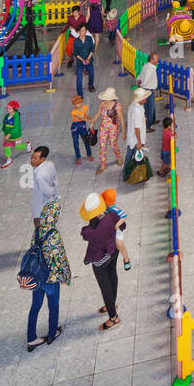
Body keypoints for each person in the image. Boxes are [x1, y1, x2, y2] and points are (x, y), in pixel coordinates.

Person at [23, 195, 70, 351]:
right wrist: (65, 276)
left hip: (36, 276)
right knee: (53, 305)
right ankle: (51, 334)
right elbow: (60, 258)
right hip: (50, 278)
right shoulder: (54, 235)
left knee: (35, 307)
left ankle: (31, 339)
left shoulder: (37, 231)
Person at [79, 192, 122, 331]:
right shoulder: (112, 216)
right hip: (114, 251)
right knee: (113, 276)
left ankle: (113, 317)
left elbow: (84, 234)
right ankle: (112, 304)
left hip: (99, 260)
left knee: (105, 287)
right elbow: (123, 225)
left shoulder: (88, 231)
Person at [91, 87, 124, 175]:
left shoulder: (117, 106)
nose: (104, 100)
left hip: (113, 128)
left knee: (113, 145)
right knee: (102, 146)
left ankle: (119, 158)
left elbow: (122, 119)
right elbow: (98, 114)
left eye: (106, 98)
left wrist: (124, 132)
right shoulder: (102, 104)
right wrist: (92, 122)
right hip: (103, 128)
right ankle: (103, 165)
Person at [29, 146, 57, 231]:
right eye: (32, 157)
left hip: (42, 207)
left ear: (42, 159)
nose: (32, 160)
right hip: (51, 203)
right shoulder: (50, 164)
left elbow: (48, 192)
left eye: (35, 158)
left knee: (39, 229)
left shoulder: (39, 176)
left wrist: (52, 192)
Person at [125, 88, 151, 176]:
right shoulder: (137, 111)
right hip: (135, 139)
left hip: (133, 137)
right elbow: (137, 128)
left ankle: (127, 173)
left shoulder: (135, 105)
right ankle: (130, 174)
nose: (146, 99)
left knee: (129, 155)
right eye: (144, 98)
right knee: (135, 157)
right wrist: (139, 142)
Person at [0, 100, 31, 169]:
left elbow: (16, 127)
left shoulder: (16, 117)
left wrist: (8, 135)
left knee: (17, 146)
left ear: (14, 109)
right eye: (7, 108)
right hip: (8, 135)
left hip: (15, 135)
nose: (7, 110)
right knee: (6, 146)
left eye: (9, 108)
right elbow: (4, 124)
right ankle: (9, 159)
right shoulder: (6, 116)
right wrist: (4, 131)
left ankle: (27, 145)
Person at [137, 52, 160, 130]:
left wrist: (139, 81)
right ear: (152, 59)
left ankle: (152, 120)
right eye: (157, 59)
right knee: (149, 108)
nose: (158, 61)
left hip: (149, 90)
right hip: (148, 90)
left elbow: (140, 75)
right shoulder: (150, 69)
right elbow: (146, 79)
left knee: (152, 107)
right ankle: (147, 126)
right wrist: (142, 86)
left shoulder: (146, 66)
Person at [68, 94, 94, 164]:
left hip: (83, 126)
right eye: (76, 104)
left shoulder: (85, 107)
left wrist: (91, 119)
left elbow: (86, 115)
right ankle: (78, 157)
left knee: (86, 141)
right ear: (74, 104)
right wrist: (89, 120)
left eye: (79, 103)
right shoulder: (73, 112)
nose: (78, 105)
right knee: (76, 143)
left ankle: (89, 155)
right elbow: (81, 118)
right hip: (75, 128)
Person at [73, 24, 96, 96]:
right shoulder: (76, 41)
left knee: (91, 73)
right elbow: (75, 53)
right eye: (81, 31)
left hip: (89, 59)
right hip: (80, 62)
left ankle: (90, 85)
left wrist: (88, 58)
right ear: (78, 32)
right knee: (79, 78)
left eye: (84, 30)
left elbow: (92, 49)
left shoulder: (89, 38)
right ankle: (80, 94)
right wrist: (82, 59)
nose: (83, 32)